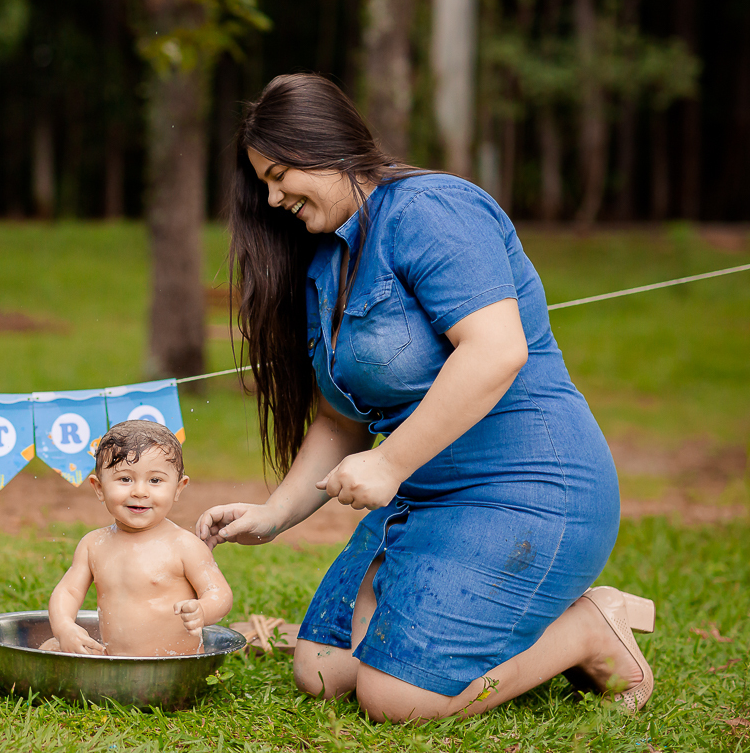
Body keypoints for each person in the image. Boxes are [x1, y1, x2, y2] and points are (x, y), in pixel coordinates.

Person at [195, 73, 654, 721]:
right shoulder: (326, 262)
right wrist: (272, 516)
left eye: (278, 175)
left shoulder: (432, 210)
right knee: (322, 672)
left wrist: (389, 463)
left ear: (324, 146)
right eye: (262, 183)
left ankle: (590, 628)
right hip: (424, 500)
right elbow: (340, 420)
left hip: (530, 487)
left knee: (397, 699)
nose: (271, 199)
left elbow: (496, 351)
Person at [43, 420, 233, 657]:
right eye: (125, 479)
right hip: (116, 662)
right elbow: (68, 592)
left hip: (174, 663)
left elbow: (220, 593)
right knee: (50, 646)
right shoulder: (93, 545)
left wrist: (203, 610)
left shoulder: (183, 545)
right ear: (99, 488)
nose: (140, 492)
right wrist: (64, 627)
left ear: (178, 488)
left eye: (155, 480)